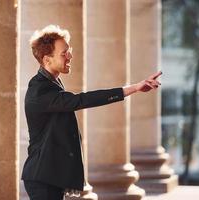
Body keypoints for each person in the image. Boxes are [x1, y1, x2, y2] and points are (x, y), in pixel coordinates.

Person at [21, 25, 162, 200]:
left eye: (69, 51)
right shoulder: (40, 89)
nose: (70, 56)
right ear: (47, 59)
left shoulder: (51, 83)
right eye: (64, 53)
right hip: (43, 177)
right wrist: (133, 88)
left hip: (49, 175)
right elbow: (81, 100)